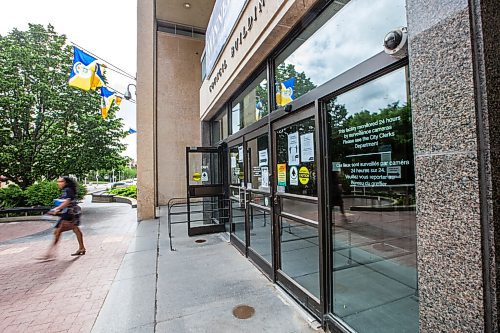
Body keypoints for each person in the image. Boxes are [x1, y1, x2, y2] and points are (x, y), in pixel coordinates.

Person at [37, 176, 86, 260]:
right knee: (75, 229)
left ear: (66, 182)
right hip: (72, 213)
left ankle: (50, 254)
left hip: (68, 214)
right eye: (58, 181)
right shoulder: (68, 190)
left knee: (58, 232)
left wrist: (57, 209)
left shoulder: (67, 190)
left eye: (60, 181)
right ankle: (82, 248)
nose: (58, 183)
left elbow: (68, 201)